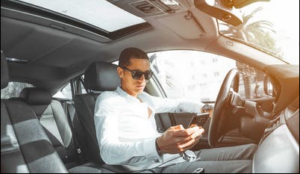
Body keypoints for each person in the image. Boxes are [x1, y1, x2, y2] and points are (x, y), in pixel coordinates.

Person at [94, 47, 256, 173]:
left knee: (252, 151)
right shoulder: (108, 100)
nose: (143, 80)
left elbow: (178, 104)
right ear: (121, 72)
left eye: (147, 74)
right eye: (137, 74)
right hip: (157, 167)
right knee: (249, 169)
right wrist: (157, 145)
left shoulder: (146, 98)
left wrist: (206, 108)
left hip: (183, 156)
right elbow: (107, 152)